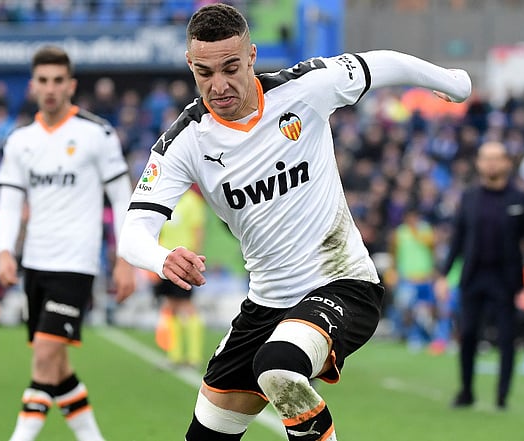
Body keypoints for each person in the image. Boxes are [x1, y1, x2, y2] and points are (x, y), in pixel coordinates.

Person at [118, 4, 472, 440]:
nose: (219, 84)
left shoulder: (305, 89)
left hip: (344, 284)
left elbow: (382, 63)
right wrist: (161, 257)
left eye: (231, 67)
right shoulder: (185, 142)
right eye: (205, 72)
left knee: (279, 369)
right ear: (191, 66)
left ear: (251, 55)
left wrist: (453, 82)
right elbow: (133, 232)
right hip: (267, 304)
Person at [0, 46, 136, 441]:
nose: (50, 88)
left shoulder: (97, 134)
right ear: (32, 85)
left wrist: (126, 259)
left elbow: (123, 199)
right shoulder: (20, 141)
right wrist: (5, 250)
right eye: (43, 80)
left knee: (43, 359)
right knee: (56, 367)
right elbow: (9, 201)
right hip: (35, 263)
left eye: (58, 80)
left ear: (71, 85)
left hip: (76, 265)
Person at [436, 141, 524, 410]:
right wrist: (443, 275)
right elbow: (458, 240)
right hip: (473, 276)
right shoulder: (469, 197)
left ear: (507, 162)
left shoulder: (520, 199)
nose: (492, 163)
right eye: (486, 158)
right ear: (479, 163)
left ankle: (502, 396)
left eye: (497, 158)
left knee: (507, 338)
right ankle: (466, 391)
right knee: (469, 334)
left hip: (506, 279)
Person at [154, 187, 207, 368]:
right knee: (171, 306)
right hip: (166, 260)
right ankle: (175, 355)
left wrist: (195, 260)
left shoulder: (192, 201)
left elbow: (198, 231)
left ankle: (193, 356)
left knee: (186, 306)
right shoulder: (167, 198)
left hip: (183, 261)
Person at [389, 205, 437, 348]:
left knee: (424, 311)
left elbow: (433, 250)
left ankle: (426, 337)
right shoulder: (400, 233)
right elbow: (394, 254)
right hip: (407, 279)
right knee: (407, 308)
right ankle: (410, 335)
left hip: (425, 278)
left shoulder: (426, 231)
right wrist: (394, 272)